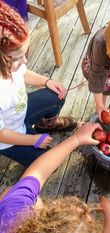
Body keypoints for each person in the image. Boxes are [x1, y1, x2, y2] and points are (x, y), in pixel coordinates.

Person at [0, 1, 77, 167]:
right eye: (18, 57)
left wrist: (47, 81)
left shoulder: (10, 64)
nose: (25, 60)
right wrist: (32, 140)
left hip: (20, 112)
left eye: (25, 53)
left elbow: (23, 73)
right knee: (48, 163)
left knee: (57, 95)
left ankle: (44, 124)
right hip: (8, 137)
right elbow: (1, 134)